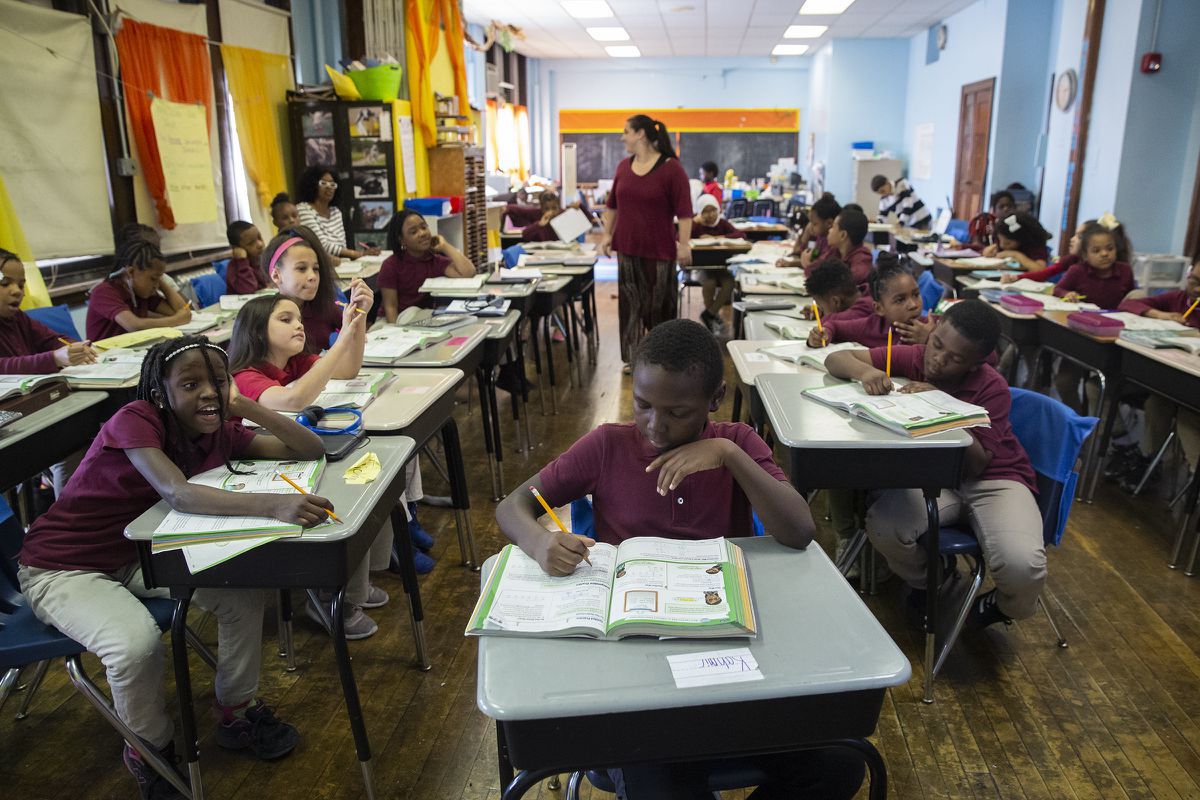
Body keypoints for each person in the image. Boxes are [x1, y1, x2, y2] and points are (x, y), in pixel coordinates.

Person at [495, 319, 862, 799]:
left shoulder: (739, 442)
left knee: (841, 763)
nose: (655, 425)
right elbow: (512, 506)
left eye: (677, 412)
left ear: (714, 398)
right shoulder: (608, 445)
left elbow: (798, 531)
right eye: (643, 405)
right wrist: (539, 542)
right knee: (664, 777)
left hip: (724, 654)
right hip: (634, 667)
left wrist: (729, 454)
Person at [17, 335, 326, 799]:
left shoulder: (218, 429)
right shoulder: (136, 419)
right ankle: (151, 752)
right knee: (136, 645)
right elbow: (178, 492)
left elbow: (310, 449)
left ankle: (238, 711)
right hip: (64, 567)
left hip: (138, 556)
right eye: (190, 384)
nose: (207, 392)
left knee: (241, 589)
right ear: (161, 393)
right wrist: (274, 505)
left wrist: (244, 405)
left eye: (217, 382)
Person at [826, 300, 1045, 631]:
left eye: (955, 359)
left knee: (1022, 566)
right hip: (933, 478)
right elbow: (835, 358)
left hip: (995, 479)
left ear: (976, 364)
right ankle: (935, 578)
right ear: (934, 329)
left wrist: (942, 406)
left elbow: (975, 465)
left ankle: (999, 607)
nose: (938, 360)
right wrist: (867, 371)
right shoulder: (915, 356)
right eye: (937, 344)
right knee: (886, 527)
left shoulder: (991, 387)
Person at [600, 115, 694, 370]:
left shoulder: (672, 169)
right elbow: (612, 206)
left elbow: (685, 212)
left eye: (626, 132)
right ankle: (634, 358)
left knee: (659, 306)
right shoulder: (623, 166)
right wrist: (607, 235)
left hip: (660, 251)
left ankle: (663, 360)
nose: (622, 137)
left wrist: (684, 245)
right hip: (628, 248)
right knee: (630, 305)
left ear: (640, 134)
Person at [1108, 257, 1200, 491]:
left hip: (1192, 385)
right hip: (1168, 378)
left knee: (1184, 413)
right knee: (1156, 402)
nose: (1197, 289)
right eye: (1194, 281)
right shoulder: (1178, 299)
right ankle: (1146, 458)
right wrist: (1161, 315)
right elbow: (1128, 305)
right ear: (1188, 275)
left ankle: (1191, 478)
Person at [1051, 220, 1137, 415]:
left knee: (1102, 385)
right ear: (1085, 254)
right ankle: (1079, 419)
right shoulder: (1077, 271)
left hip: (1112, 338)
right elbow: (1058, 289)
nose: (1105, 254)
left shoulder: (1125, 271)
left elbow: (1132, 299)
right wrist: (1067, 294)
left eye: (1109, 249)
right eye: (1096, 251)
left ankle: (1108, 426)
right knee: (1064, 382)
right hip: (1081, 335)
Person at [264, 226, 372, 354]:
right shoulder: (266, 317)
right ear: (276, 275)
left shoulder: (325, 307)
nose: (312, 276)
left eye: (315, 269)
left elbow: (357, 340)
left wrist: (358, 317)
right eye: (301, 268)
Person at [0, 248, 96, 373]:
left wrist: (75, 348)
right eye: (5, 283)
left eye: (21, 285)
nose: (17, 291)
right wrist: (54, 358)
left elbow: (51, 339)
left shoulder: (18, 317)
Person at [807, 260, 932, 348]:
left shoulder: (932, 327)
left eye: (916, 295)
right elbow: (835, 327)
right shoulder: (873, 326)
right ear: (879, 308)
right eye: (900, 300)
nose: (913, 305)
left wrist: (930, 339)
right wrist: (823, 334)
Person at [86, 238, 192, 342]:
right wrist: (177, 320)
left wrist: (161, 281)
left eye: (159, 279)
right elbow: (134, 325)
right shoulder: (104, 291)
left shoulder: (141, 292)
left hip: (128, 353)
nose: (156, 285)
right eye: (153, 278)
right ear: (131, 272)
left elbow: (181, 311)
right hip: (101, 356)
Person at [378, 210, 476, 321]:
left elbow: (468, 272)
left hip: (419, 319)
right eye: (413, 232)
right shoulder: (391, 265)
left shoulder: (434, 260)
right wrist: (395, 334)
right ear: (401, 240)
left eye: (424, 227)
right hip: (391, 320)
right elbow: (390, 307)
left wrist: (444, 246)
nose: (422, 233)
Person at [295, 165, 379, 264]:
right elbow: (321, 245)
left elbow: (341, 244)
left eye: (332, 184)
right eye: (323, 183)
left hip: (341, 264)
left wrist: (359, 254)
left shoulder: (335, 211)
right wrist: (358, 254)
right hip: (320, 265)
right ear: (312, 185)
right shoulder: (303, 209)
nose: (329, 187)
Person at [690, 194, 744, 333]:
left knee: (730, 283)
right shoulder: (696, 225)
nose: (710, 214)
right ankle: (713, 316)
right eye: (705, 211)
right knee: (710, 283)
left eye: (713, 210)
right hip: (701, 267)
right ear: (699, 213)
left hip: (721, 266)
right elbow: (679, 238)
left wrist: (717, 237)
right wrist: (694, 222)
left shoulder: (722, 223)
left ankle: (709, 314)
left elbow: (740, 235)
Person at [777, 193, 840, 269]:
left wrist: (795, 263)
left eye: (814, 224)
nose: (810, 227)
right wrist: (806, 233)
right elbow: (808, 256)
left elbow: (817, 265)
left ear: (829, 223)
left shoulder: (832, 244)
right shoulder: (820, 238)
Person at [803, 258, 874, 323]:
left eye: (822, 308)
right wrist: (820, 313)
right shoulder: (864, 292)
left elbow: (829, 321)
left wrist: (824, 316)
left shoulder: (867, 307)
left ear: (836, 302)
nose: (822, 310)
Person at [819, 207, 873, 286]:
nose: (829, 230)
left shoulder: (862, 258)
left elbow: (848, 281)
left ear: (843, 235)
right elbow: (816, 269)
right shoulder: (835, 251)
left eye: (833, 227)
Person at [982, 212, 1051, 272]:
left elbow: (1040, 269)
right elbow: (988, 251)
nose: (1002, 245)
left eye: (1007, 243)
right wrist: (991, 249)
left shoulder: (1035, 246)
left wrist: (1015, 255)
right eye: (999, 240)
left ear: (1022, 239)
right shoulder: (1003, 239)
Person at [225, 221, 270, 294]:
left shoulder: (260, 259)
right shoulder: (234, 267)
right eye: (251, 243)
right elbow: (248, 289)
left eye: (259, 237)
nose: (260, 244)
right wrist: (242, 262)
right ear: (238, 248)